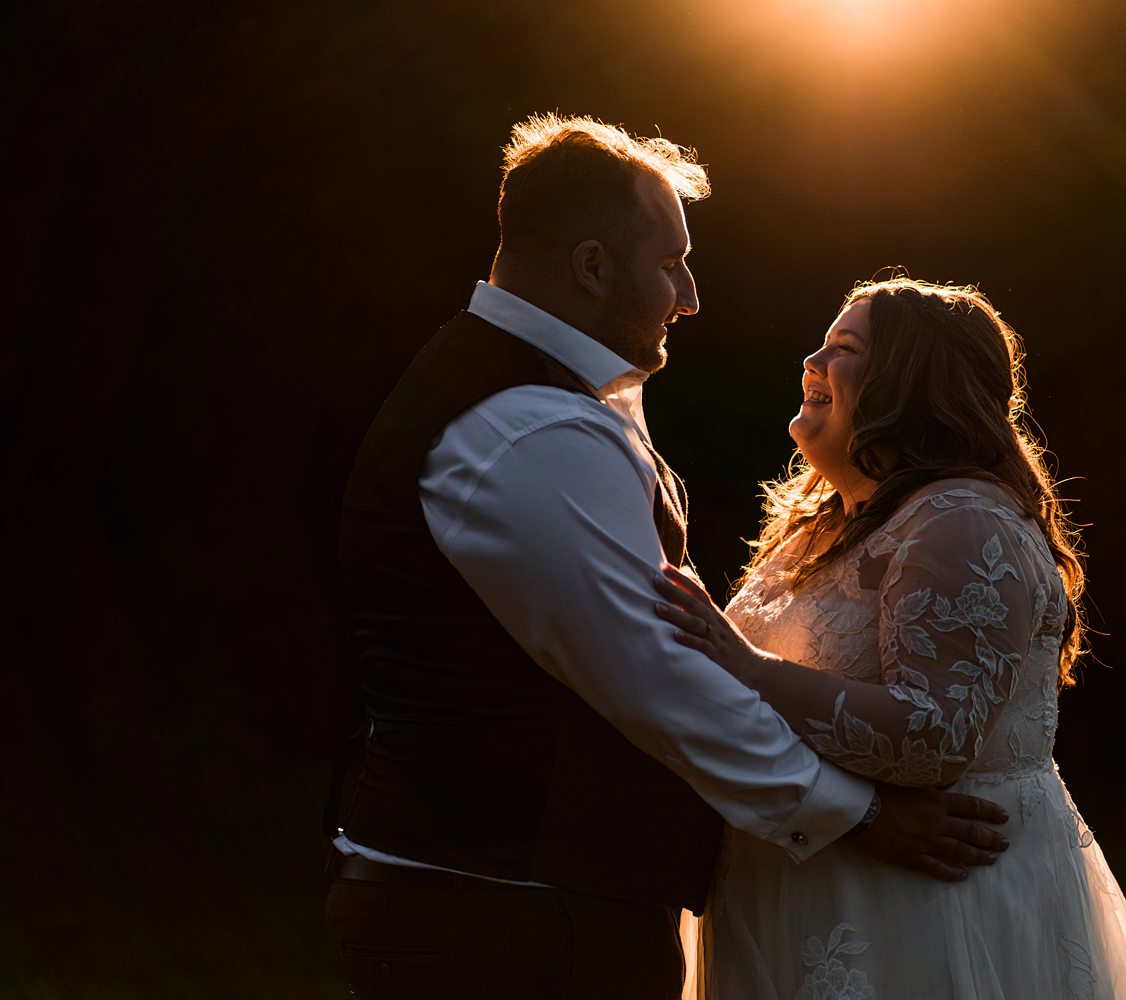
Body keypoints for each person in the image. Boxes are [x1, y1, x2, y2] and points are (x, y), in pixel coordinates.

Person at [324, 116, 1008, 999]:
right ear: (593, 267)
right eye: (671, 262)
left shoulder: (540, 396)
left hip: (519, 898)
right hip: (504, 913)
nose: (689, 296)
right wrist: (861, 815)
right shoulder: (531, 424)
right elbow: (652, 672)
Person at [655, 277, 1126, 998]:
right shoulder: (826, 526)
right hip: (810, 897)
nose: (811, 361)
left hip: (923, 914)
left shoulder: (961, 519)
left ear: (915, 382)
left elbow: (935, 735)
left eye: (845, 349)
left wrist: (747, 667)